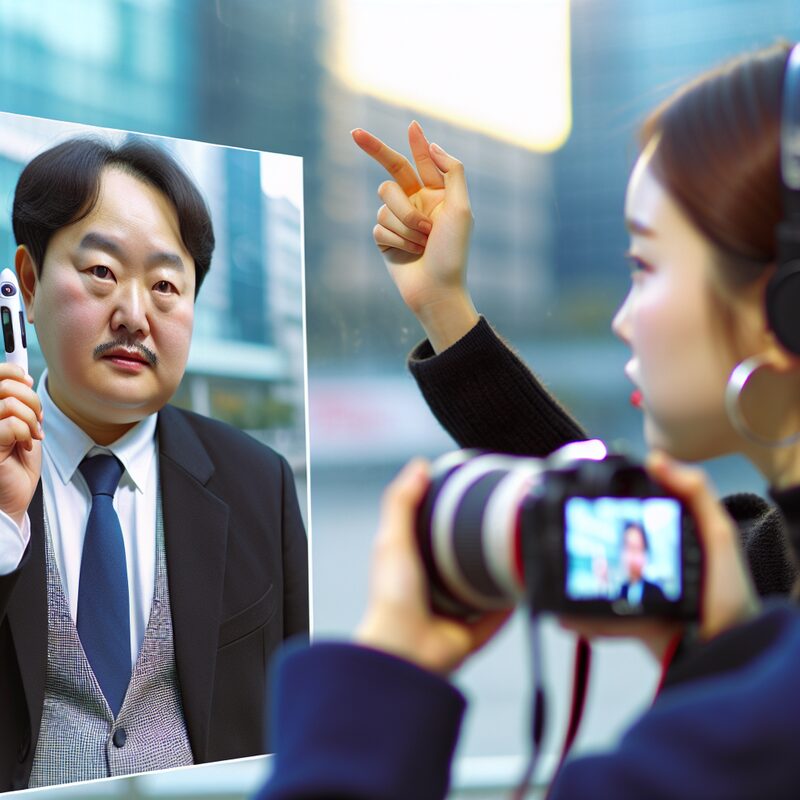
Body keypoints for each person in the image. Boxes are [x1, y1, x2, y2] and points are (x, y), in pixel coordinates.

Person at [258, 42, 800, 799]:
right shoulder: (774, 573)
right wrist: (444, 305)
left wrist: (382, 679)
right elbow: (619, 502)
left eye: (644, 268)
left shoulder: (730, 751)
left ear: (785, 309)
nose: (621, 320)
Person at [0, 137, 309, 791]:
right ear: (27, 282)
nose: (135, 316)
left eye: (166, 285)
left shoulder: (261, 484)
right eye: (102, 273)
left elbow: (292, 717)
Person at [617, 521, 667, 605]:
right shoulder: (620, 591)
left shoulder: (656, 593)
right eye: (628, 547)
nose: (632, 555)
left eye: (637, 548)